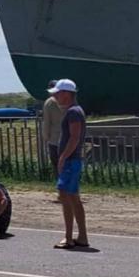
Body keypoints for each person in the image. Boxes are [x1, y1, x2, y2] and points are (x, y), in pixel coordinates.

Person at [50, 78, 89, 249]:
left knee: (66, 198)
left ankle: (68, 237)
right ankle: (81, 236)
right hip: (72, 161)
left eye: (58, 94)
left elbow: (74, 137)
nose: (55, 97)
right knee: (73, 198)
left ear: (66, 94)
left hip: (71, 162)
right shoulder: (74, 111)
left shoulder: (73, 112)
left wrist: (63, 157)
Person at [41, 80, 64, 178]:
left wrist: (46, 137)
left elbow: (47, 122)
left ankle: (60, 181)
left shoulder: (49, 103)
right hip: (68, 138)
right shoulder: (68, 100)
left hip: (54, 139)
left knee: (56, 164)